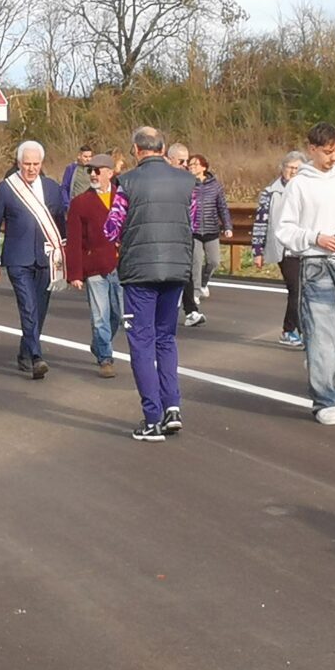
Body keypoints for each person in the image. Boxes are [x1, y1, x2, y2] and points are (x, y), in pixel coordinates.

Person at [274, 123, 335, 424]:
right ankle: (325, 401)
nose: (333, 157)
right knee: (322, 336)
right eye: (327, 152)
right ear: (312, 149)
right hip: (315, 266)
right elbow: (284, 229)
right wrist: (315, 237)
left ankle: (323, 369)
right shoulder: (298, 185)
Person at [103, 128, 196, 440]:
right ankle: (173, 408)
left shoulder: (127, 182)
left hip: (140, 271)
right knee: (166, 338)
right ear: (163, 148)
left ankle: (152, 417)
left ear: (135, 149)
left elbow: (111, 229)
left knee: (142, 342)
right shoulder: (187, 181)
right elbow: (193, 221)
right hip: (176, 268)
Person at [0, 140, 70, 378]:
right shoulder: (6, 189)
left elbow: (60, 223)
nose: (31, 168)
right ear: (19, 163)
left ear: (41, 164)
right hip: (17, 258)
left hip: (46, 258)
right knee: (28, 306)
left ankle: (25, 352)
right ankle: (36, 357)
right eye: (27, 164)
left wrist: (66, 255)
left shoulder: (52, 188)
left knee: (40, 310)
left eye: (35, 164)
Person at [62, 152, 122, 377]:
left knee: (117, 314)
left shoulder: (122, 199)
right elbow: (74, 240)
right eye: (91, 171)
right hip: (94, 266)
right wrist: (75, 273)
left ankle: (98, 344)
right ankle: (105, 358)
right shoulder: (80, 203)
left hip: (119, 266)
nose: (93, 175)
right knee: (100, 316)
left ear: (110, 173)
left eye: (98, 171)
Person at [254, 150, 307, 346]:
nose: (293, 171)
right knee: (296, 289)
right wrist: (257, 250)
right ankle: (292, 330)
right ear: (282, 169)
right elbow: (260, 222)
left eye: (297, 168)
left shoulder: (307, 189)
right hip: (284, 248)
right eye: (289, 167)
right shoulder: (270, 192)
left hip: (305, 246)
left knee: (306, 290)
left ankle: (297, 329)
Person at [186, 154, 231, 324]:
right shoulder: (187, 184)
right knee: (196, 262)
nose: (192, 167)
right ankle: (195, 292)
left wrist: (227, 226)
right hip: (194, 230)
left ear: (204, 167)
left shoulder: (215, 186)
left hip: (211, 230)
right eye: (190, 164)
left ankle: (204, 283)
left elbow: (222, 207)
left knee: (214, 261)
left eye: (195, 164)